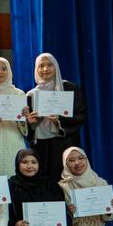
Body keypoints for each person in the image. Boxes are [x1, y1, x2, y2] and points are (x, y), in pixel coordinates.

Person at [28, 53, 88, 181]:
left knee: (67, 179)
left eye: (50, 65)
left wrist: (59, 120)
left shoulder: (70, 88)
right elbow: (28, 130)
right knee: (45, 181)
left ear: (56, 67)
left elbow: (81, 115)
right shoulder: (31, 95)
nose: (45, 69)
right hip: (42, 146)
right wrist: (33, 122)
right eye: (41, 66)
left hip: (65, 143)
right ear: (36, 69)